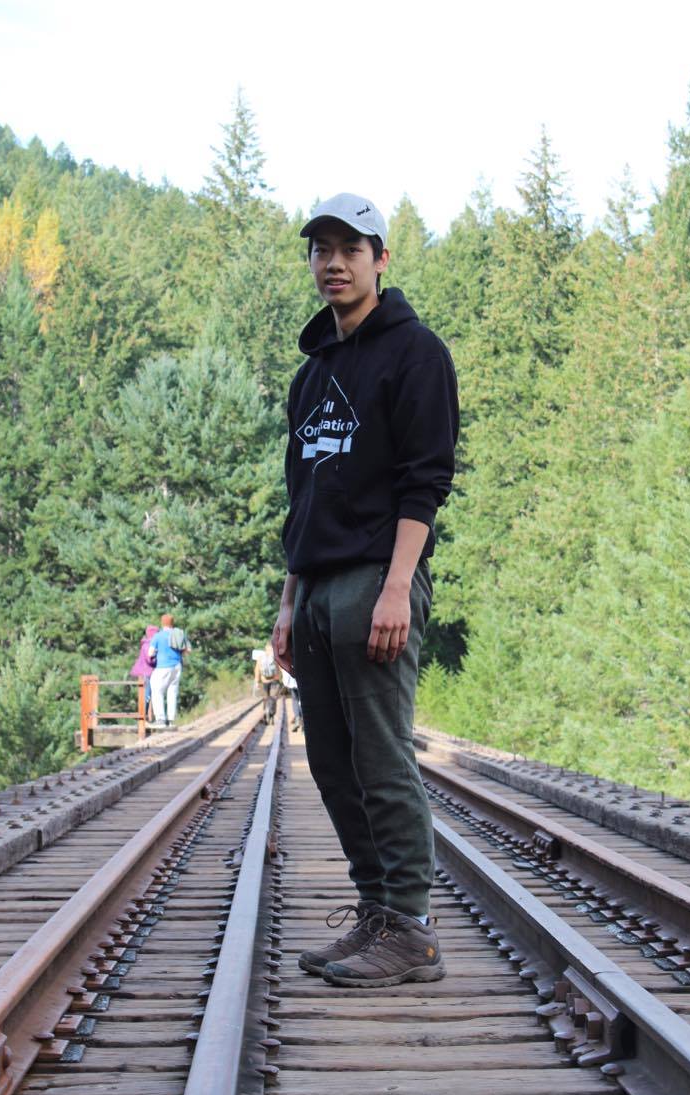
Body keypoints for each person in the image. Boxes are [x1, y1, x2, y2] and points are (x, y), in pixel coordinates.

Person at [272, 193, 459, 988]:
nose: (334, 262)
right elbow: (302, 498)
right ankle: (376, 912)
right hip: (316, 591)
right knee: (333, 764)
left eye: (351, 247)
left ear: (381, 258)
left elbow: (425, 483)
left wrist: (396, 587)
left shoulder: (417, 353)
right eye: (321, 249)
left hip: (375, 583)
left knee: (382, 757)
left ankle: (412, 929)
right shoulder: (311, 376)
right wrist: (287, 603)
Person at [148, 613, 190, 727]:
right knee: (172, 693)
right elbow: (187, 650)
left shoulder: (158, 636)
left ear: (162, 623)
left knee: (157, 691)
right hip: (177, 666)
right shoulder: (179, 634)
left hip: (163, 667)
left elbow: (150, 653)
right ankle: (171, 721)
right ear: (172, 623)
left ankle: (160, 720)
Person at [130, 624, 159, 722]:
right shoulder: (148, 645)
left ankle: (145, 717)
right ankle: (142, 717)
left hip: (147, 672)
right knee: (147, 695)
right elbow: (149, 659)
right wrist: (158, 659)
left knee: (148, 694)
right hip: (146, 673)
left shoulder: (148, 644)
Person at [254, 642, 280, 725]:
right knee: (273, 698)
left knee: (265, 698)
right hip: (274, 681)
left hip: (264, 681)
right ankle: (272, 715)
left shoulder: (260, 658)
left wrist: (257, 681)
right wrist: (279, 678)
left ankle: (266, 712)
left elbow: (257, 670)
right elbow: (279, 670)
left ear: (265, 649)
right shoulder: (275, 657)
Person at [281, 668, 302, 732]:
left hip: (291, 679)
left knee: (295, 700)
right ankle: (303, 721)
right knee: (301, 700)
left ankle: (297, 719)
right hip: (301, 677)